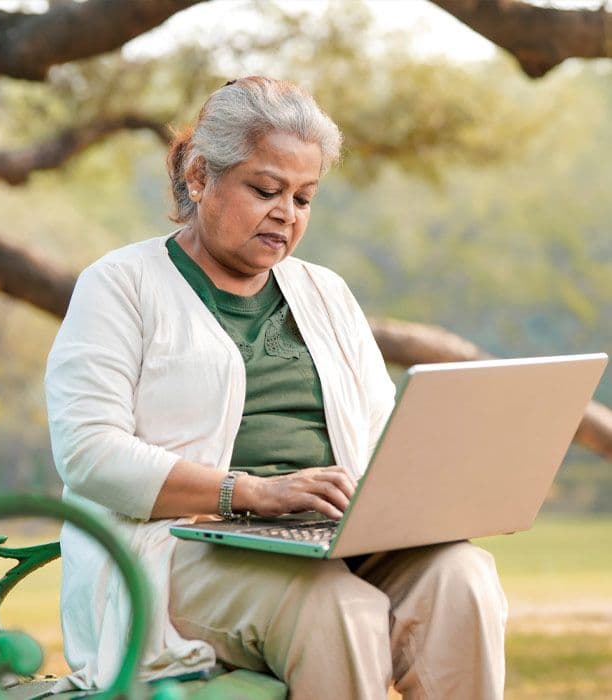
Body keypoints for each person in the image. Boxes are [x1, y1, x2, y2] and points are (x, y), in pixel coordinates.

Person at [45, 76, 508, 700]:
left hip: (328, 533)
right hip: (177, 546)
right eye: (266, 190)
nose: (286, 214)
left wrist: (413, 498)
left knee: (463, 576)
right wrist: (251, 492)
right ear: (200, 175)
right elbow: (88, 452)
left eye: (304, 198)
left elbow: (380, 435)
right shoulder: (121, 286)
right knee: (335, 608)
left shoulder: (327, 293)